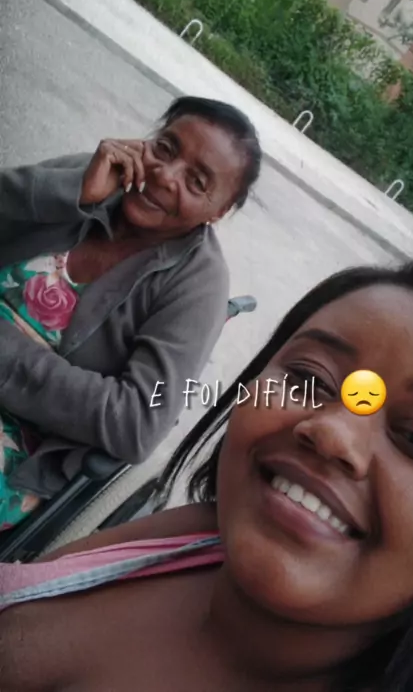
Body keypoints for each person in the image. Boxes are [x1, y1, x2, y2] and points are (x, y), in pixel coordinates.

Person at [1, 258, 413, 692]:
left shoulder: (195, 279)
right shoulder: (197, 536)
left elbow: (134, 417)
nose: (333, 432)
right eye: (310, 379)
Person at [0, 96, 262, 528]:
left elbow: (138, 421)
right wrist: (71, 193)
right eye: (166, 148)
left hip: (26, 442)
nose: (164, 175)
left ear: (218, 212)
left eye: (196, 181)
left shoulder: (199, 285)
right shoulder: (92, 175)